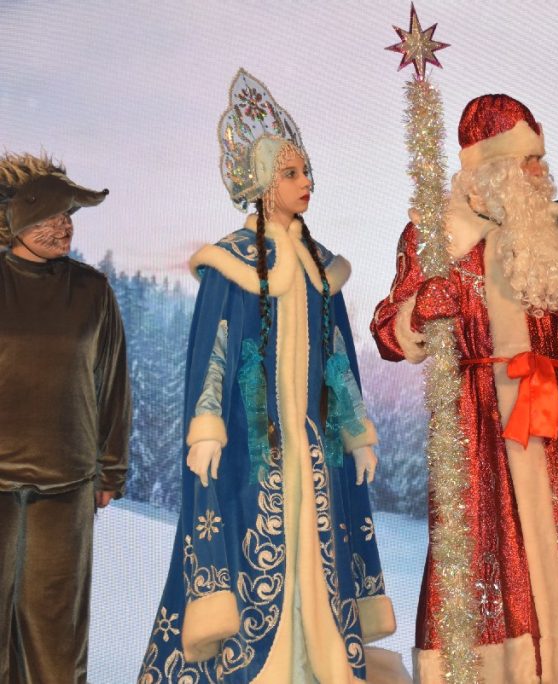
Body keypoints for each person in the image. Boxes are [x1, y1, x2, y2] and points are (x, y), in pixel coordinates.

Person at [140, 69, 394, 683]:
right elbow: (216, 353)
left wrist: (356, 431)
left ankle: (313, 666)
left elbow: (337, 357)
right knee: (252, 549)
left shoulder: (319, 267)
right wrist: (207, 427)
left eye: (307, 173)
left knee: (317, 554)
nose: (307, 183)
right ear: (261, 184)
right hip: (254, 448)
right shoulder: (233, 262)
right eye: (292, 173)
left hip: (315, 446)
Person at [371, 94, 558, 683]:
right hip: (477, 428)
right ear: (493, 168)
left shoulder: (555, 240)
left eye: (540, 160)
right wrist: (417, 310)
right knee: (488, 558)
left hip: (555, 428)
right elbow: (387, 332)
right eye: (527, 160)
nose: (540, 172)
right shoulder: (435, 236)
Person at [0, 152, 130, 683]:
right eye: (51, 215)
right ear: (16, 219)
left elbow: (113, 383)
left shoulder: (92, 290)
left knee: (56, 629)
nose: (64, 226)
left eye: (69, 215)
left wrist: (111, 468)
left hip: (68, 481)